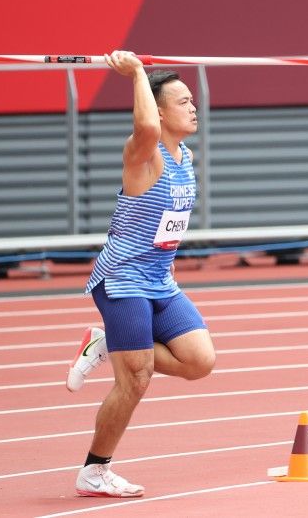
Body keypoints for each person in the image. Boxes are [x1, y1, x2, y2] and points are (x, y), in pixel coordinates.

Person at [65, 50, 216, 498]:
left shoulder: (184, 156)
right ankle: (95, 470)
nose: (193, 107)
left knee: (199, 361)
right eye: (184, 101)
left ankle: (106, 341)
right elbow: (146, 128)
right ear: (159, 109)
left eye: (193, 100)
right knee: (136, 376)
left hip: (160, 280)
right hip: (123, 279)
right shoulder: (142, 156)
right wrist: (135, 73)